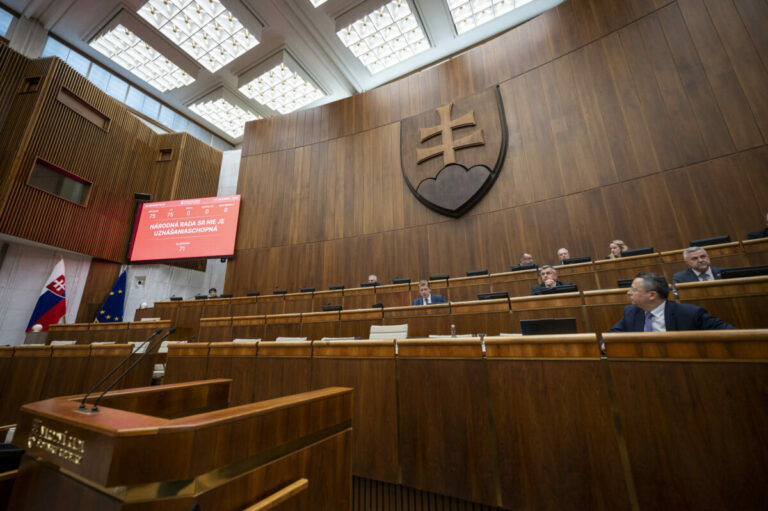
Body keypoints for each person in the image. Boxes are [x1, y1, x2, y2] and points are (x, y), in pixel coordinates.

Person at [608, 273, 734, 332]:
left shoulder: (690, 314)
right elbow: (612, 334)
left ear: (652, 295)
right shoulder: (631, 312)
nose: (628, 293)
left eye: (633, 290)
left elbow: (731, 333)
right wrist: (604, 344)